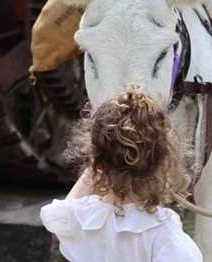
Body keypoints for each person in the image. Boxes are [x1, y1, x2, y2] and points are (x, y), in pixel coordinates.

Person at [40, 87, 202, 262]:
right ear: (163, 164)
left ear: (97, 162)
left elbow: (59, 215)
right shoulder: (162, 233)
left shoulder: (85, 219)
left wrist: (93, 167)